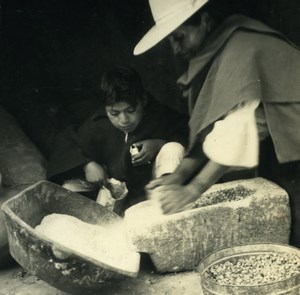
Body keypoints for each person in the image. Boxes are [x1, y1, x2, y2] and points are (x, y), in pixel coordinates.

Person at [134, 0, 300, 247]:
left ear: (205, 21)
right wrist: (179, 175)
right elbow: (211, 126)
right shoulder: (217, 50)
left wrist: (192, 190)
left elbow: (245, 126)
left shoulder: (240, 47)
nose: (176, 49)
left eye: (179, 37)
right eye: (170, 41)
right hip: (282, 144)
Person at [47, 66, 188, 209]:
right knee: (68, 188)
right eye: (115, 113)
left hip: (150, 193)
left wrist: (160, 143)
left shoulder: (159, 115)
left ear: (144, 100)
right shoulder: (99, 123)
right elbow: (67, 142)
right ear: (106, 108)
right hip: (109, 197)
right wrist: (87, 164)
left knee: (173, 148)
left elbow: (189, 133)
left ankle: (164, 210)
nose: (124, 120)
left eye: (131, 110)